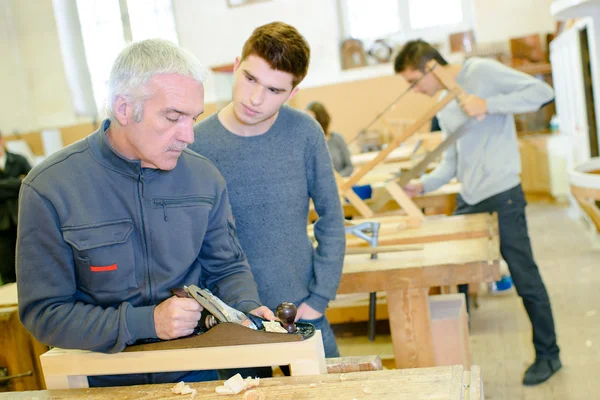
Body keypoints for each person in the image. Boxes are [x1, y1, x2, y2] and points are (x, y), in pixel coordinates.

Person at [16, 39, 274, 387]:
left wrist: (244, 310)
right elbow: (45, 314)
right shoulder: (49, 188)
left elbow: (226, 266)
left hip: (194, 374)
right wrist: (146, 323)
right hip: (99, 379)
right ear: (123, 109)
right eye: (172, 117)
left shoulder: (204, 178)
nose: (189, 136)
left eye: (193, 118)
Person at [393, 39, 560, 386]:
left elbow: (541, 92)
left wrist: (491, 104)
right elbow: (453, 162)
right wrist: (422, 185)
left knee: (524, 276)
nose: (413, 89)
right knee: (451, 276)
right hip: (470, 197)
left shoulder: (479, 72)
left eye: (413, 80)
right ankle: (455, 360)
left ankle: (549, 354)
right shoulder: (443, 106)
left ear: (430, 67)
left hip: (502, 193)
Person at [190, 22, 346, 378]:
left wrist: (319, 299)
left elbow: (332, 220)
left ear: (292, 92)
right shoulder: (195, 144)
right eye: (249, 79)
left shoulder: (306, 133)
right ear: (235, 65)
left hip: (303, 316)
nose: (255, 98)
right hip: (231, 322)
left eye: (274, 89)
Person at [0, 131, 31, 284]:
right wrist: (16, 182)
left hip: (22, 221)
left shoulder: (19, 160)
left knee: (29, 265)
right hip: (1, 227)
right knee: (6, 268)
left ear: (2, 140)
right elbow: (21, 184)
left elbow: (31, 185)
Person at [306, 102, 354, 177]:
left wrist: (336, 180)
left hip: (339, 185)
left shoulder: (337, 139)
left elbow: (349, 167)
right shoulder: (306, 143)